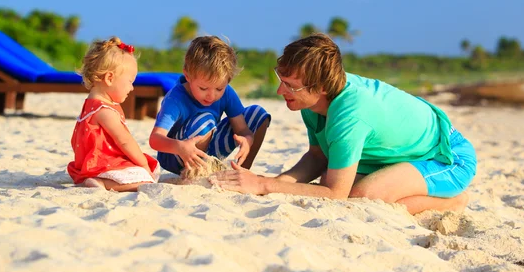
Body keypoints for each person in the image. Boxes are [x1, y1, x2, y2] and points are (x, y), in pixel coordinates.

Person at [211, 33, 477, 215]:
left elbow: (335, 194)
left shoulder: (350, 115)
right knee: (330, 174)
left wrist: (263, 185)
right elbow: (317, 156)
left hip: (446, 157)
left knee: (361, 196)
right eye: (281, 79)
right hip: (399, 153)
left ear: (322, 87)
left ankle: (453, 201)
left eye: (291, 86)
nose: (281, 92)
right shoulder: (312, 101)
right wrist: (273, 183)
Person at [149, 36, 271, 175]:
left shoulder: (227, 93)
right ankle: (195, 173)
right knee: (205, 119)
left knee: (258, 113)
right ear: (188, 76)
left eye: (219, 89)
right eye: (203, 88)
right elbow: (155, 139)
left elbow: (242, 129)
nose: (211, 96)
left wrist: (247, 139)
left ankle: (242, 171)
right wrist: (180, 147)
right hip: (177, 154)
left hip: (210, 147)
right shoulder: (175, 99)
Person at [68, 37, 160, 191]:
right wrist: (143, 164)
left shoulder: (90, 106)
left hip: (87, 164)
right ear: (110, 78)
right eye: (130, 82)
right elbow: (125, 141)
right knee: (146, 178)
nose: (131, 88)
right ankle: (103, 183)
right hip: (103, 165)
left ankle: (97, 180)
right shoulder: (105, 111)